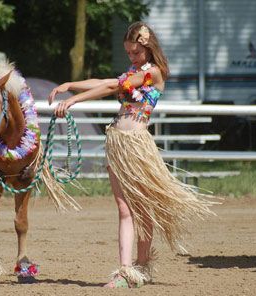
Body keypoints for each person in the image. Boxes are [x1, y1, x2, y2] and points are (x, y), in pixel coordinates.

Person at [48, 22, 213, 288]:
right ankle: (126, 270)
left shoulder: (155, 73)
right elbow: (104, 81)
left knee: (142, 210)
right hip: (117, 144)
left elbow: (112, 86)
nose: (132, 57)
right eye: (128, 53)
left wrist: (75, 100)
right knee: (124, 209)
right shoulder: (134, 71)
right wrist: (70, 84)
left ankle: (141, 265)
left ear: (148, 48)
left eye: (135, 52)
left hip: (136, 145)